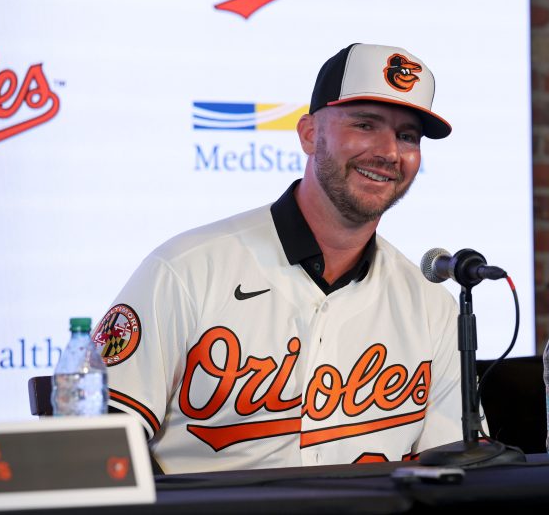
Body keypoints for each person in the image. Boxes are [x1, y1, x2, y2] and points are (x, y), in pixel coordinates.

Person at [92, 43, 462, 474]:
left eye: (407, 136)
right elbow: (97, 442)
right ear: (309, 134)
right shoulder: (186, 269)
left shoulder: (431, 306)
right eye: (365, 125)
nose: (389, 152)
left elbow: (454, 466)